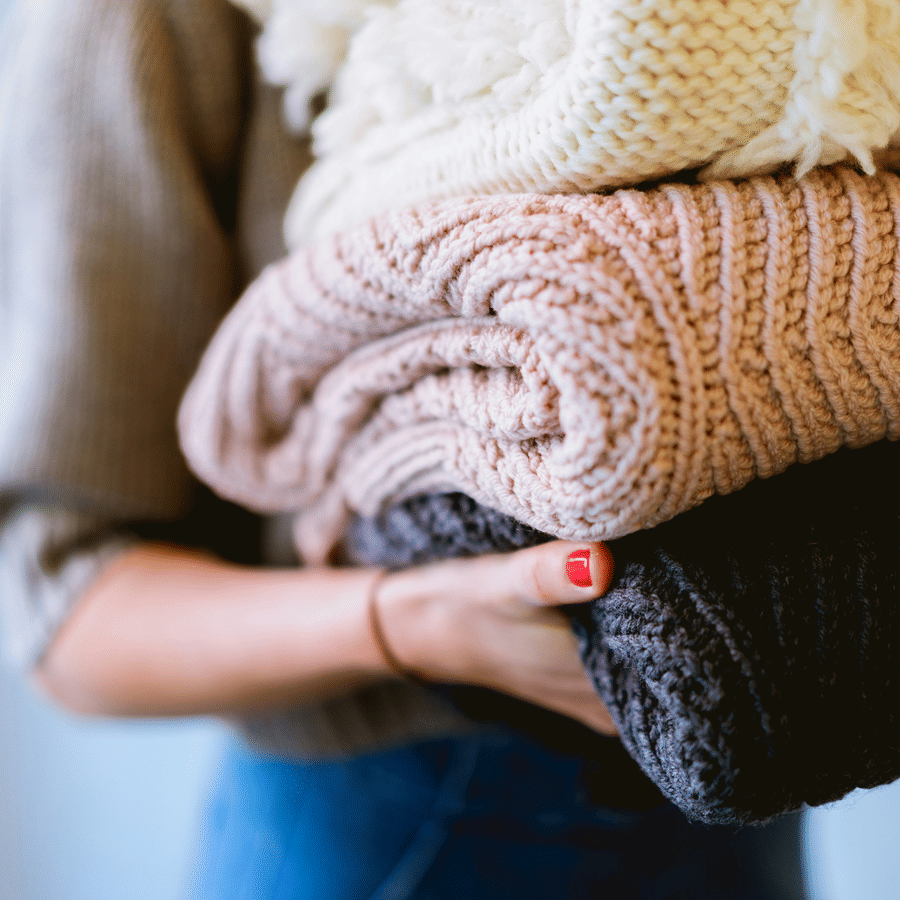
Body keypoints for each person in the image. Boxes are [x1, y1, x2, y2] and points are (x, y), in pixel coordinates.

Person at [0, 1, 805, 897]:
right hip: (408, 815)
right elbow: (64, 607)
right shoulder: (139, 21)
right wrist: (410, 622)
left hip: (745, 768)